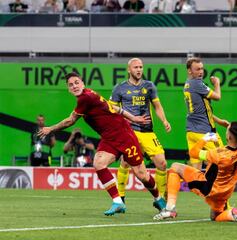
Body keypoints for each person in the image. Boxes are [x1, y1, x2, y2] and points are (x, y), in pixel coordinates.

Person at [38, 72, 166, 216]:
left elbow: (70, 121)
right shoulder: (89, 94)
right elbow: (114, 107)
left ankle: (159, 199)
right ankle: (118, 202)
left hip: (124, 136)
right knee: (99, 164)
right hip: (109, 138)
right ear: (68, 89)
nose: (74, 86)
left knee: (141, 174)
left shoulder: (86, 98)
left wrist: (51, 129)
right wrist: (133, 118)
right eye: (71, 85)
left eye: (76, 82)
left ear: (82, 83)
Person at [153, 122, 237, 223]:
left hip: (209, 187)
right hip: (226, 192)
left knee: (175, 167)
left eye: (227, 130)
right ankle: (232, 214)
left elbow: (193, 153)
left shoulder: (218, 154)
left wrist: (205, 139)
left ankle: (169, 208)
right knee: (215, 217)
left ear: (229, 136)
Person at [110, 58, 171, 201]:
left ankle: (161, 198)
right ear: (129, 69)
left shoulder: (149, 86)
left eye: (141, 67)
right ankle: (120, 196)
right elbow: (111, 108)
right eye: (136, 67)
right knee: (125, 162)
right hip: (129, 132)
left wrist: (164, 120)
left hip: (147, 131)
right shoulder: (120, 88)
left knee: (162, 163)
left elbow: (157, 106)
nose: (139, 70)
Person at [184, 57, 229, 170]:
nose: (201, 72)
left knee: (196, 171)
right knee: (223, 159)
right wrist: (217, 84)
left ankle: (200, 186)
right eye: (197, 69)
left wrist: (218, 121)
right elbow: (217, 97)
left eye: (202, 69)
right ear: (190, 71)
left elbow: (201, 111)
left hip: (191, 132)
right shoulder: (197, 84)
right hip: (205, 132)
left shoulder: (187, 84)